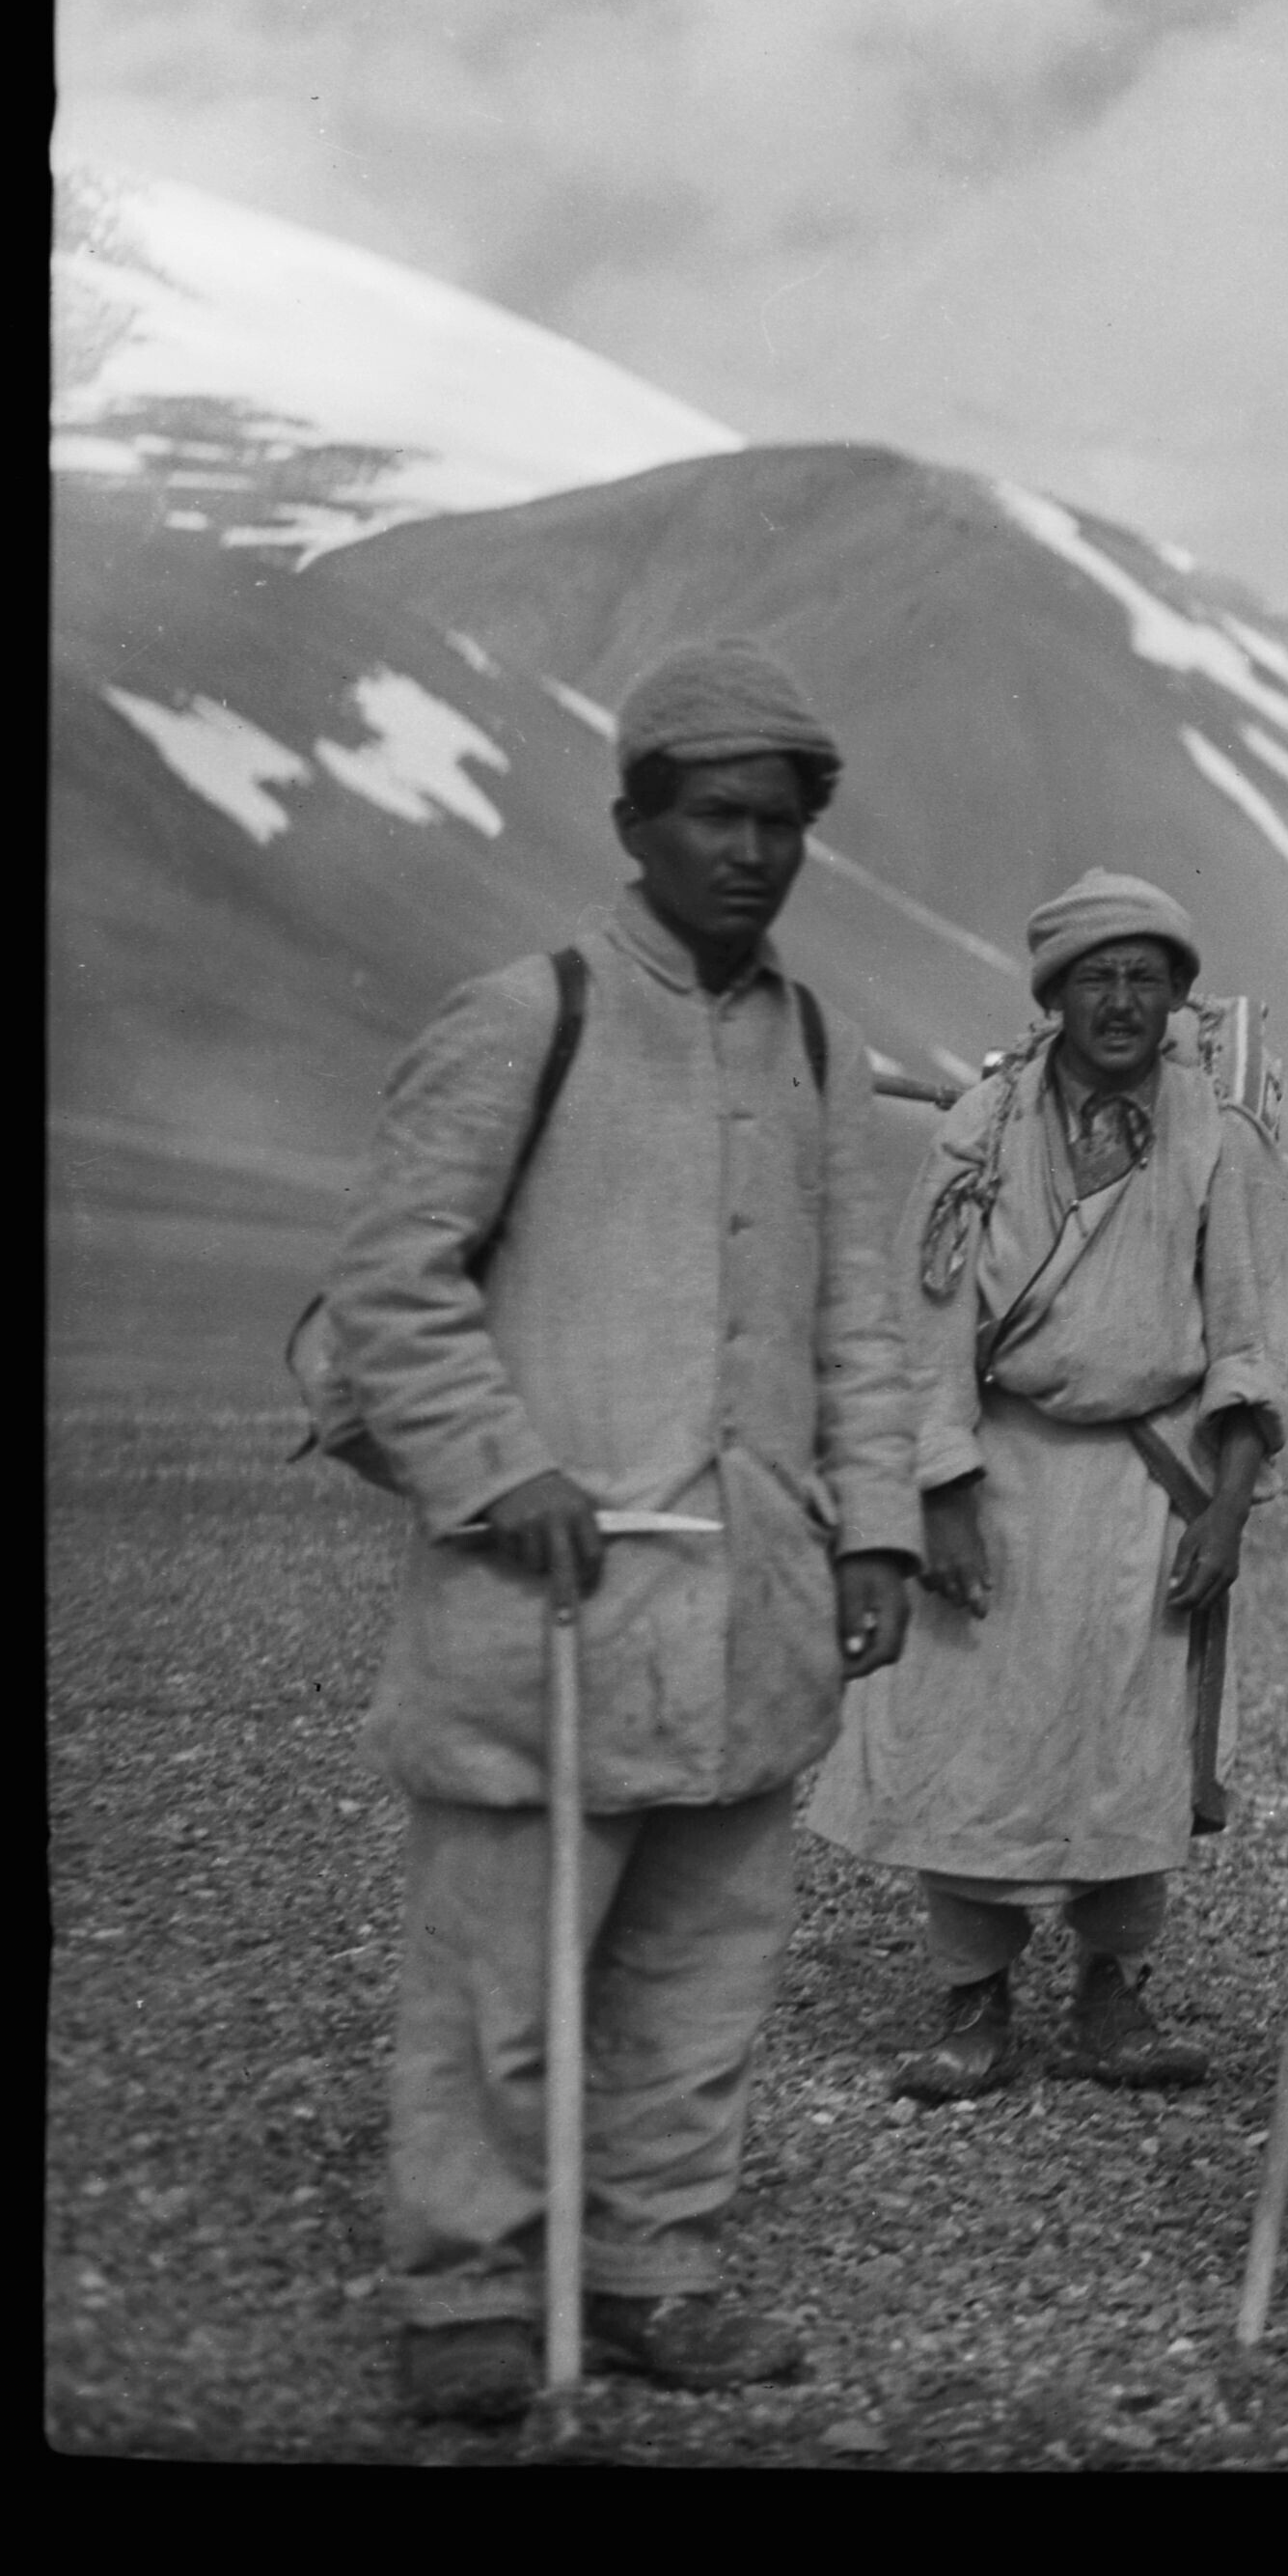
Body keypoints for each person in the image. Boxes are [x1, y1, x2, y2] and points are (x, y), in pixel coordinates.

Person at [317, 636, 925, 2427]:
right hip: (549, 1601)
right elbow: (391, 1282)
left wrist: (876, 1529)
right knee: (501, 1981)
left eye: (782, 823)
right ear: (635, 821)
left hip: (751, 1601)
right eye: (717, 816)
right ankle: (469, 2287)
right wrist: (498, 1466)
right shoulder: (530, 1014)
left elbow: (857, 1319)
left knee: (702, 1973)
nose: (752, 851)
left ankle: (657, 2269)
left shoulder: (821, 1042)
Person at [811, 871, 1288, 2104]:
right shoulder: (982, 1127)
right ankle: (972, 2000)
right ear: (1054, 994)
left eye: (1146, 977)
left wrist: (1229, 1510)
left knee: (1132, 1744)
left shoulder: (1220, 1137)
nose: (1121, 1001)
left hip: (1151, 1481)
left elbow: (1250, 1340)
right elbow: (927, 1321)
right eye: (1096, 977)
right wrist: (939, 1489)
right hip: (1001, 1472)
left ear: (1178, 998)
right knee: (971, 1734)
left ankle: (1110, 1997)